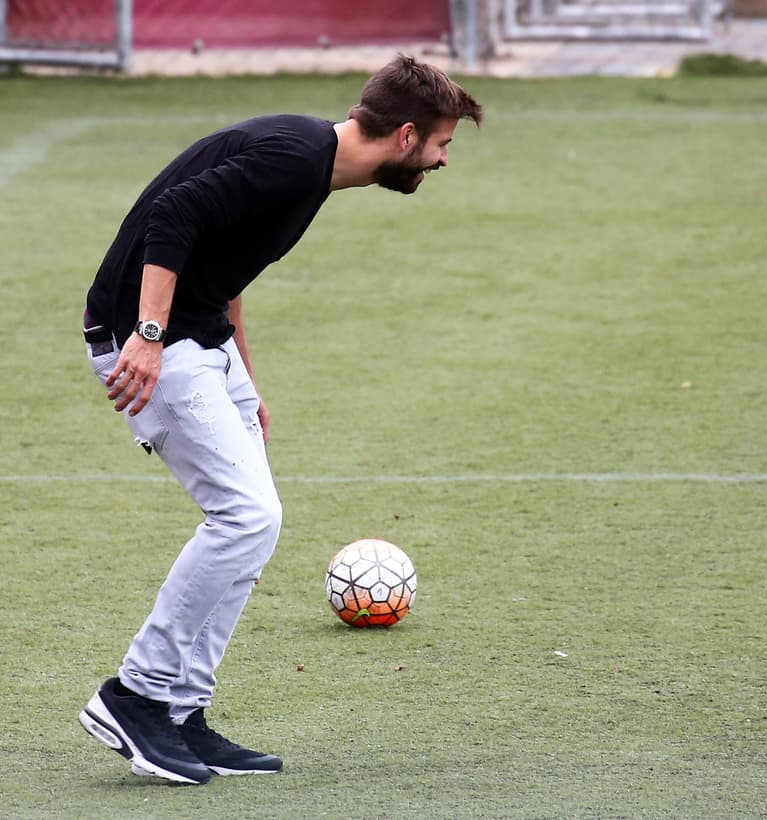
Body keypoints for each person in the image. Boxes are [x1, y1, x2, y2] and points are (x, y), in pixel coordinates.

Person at [77, 55, 483, 785]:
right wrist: (146, 336)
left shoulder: (312, 166)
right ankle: (132, 695)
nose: (443, 160)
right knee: (246, 516)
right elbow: (174, 217)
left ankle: (179, 712)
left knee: (256, 523)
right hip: (153, 343)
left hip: (204, 342)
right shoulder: (295, 161)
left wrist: (246, 381)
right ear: (406, 135)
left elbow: (224, 264)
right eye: (442, 144)